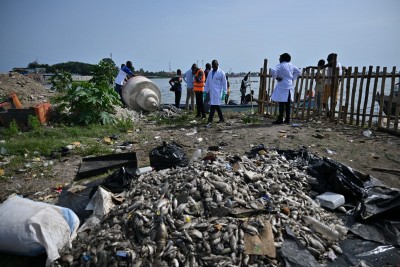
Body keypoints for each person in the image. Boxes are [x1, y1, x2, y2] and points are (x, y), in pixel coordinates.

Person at [271, 53, 301, 124]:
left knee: (281, 103)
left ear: (283, 59)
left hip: (282, 85)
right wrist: (292, 78)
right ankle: (287, 119)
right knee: (288, 104)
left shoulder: (280, 65)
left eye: (280, 58)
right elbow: (298, 72)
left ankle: (280, 119)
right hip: (289, 86)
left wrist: (276, 77)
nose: (279, 59)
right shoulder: (292, 65)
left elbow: (272, 70)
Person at [204, 60, 227, 128]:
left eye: (215, 66)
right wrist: (205, 91)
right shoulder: (210, 73)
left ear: (218, 65)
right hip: (212, 92)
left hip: (218, 92)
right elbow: (207, 82)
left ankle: (210, 121)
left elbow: (224, 83)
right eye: (213, 66)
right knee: (216, 106)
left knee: (213, 106)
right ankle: (222, 119)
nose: (214, 67)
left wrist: (224, 92)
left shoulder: (221, 73)